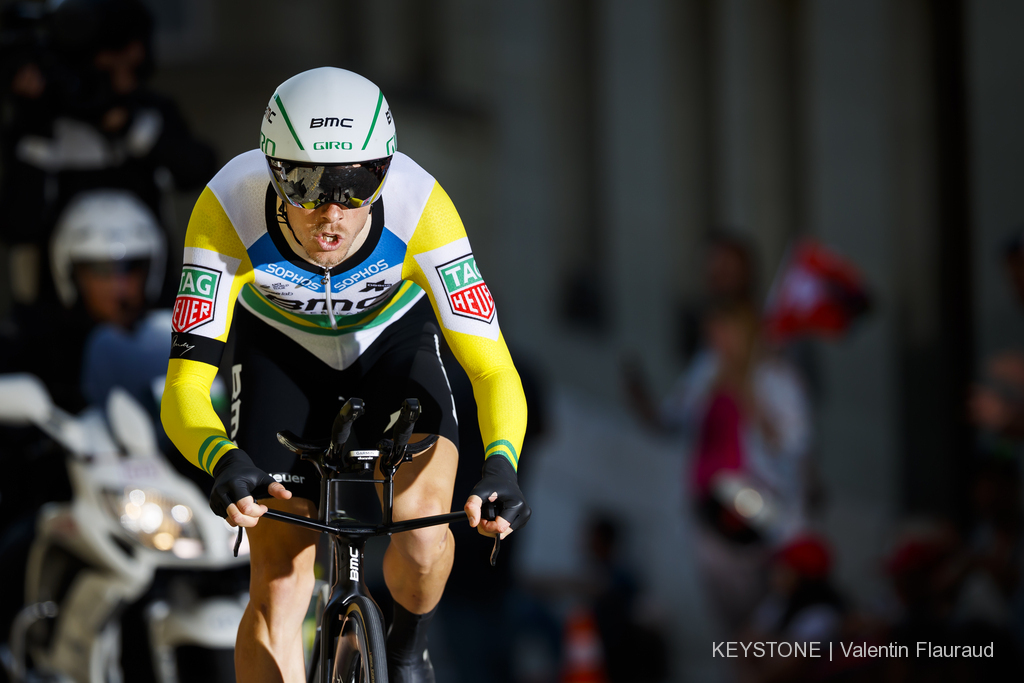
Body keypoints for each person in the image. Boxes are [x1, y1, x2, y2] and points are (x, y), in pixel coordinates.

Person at [159, 67, 531, 683]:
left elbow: (491, 364)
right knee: (279, 582)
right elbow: (185, 386)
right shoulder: (227, 206)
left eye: (356, 186)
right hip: (281, 354)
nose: (329, 213)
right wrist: (219, 456)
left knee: (423, 529)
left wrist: (502, 462)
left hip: (394, 347)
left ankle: (407, 651)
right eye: (304, 186)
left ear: (384, 172)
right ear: (272, 170)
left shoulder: (422, 206)